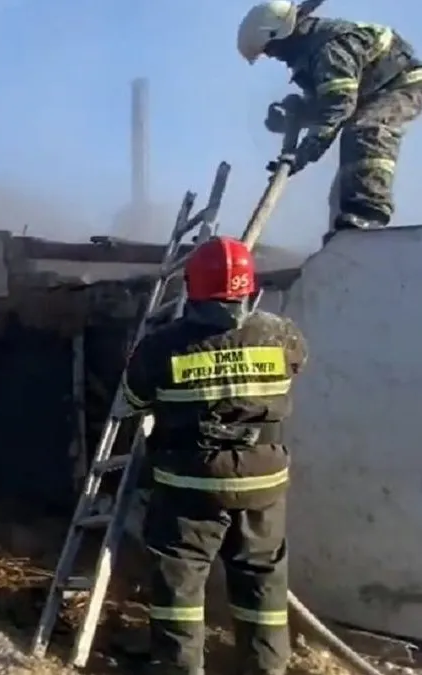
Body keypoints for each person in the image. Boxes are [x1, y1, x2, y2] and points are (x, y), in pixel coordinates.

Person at [117, 236, 308, 675]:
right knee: (261, 578)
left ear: (193, 286)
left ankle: (179, 668)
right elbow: (296, 367)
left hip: (191, 486)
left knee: (180, 580)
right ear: (249, 286)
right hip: (262, 484)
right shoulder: (282, 335)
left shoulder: (162, 346)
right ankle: (266, 667)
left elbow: (131, 402)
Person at [237, 1, 422, 244]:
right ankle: (344, 238)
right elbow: (330, 102)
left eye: (271, 49)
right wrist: (296, 113)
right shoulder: (313, 52)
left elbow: (338, 107)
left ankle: (369, 215)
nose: (274, 56)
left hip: (404, 84)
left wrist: (303, 154)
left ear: (282, 34)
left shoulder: (329, 49)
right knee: (346, 182)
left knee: (366, 128)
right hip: (372, 93)